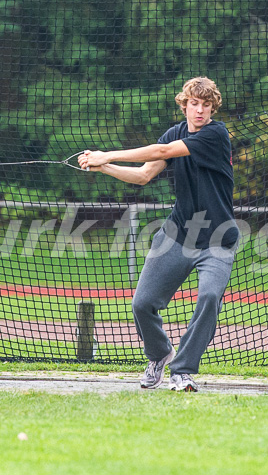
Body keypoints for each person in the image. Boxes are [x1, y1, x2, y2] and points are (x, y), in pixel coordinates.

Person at [79, 77, 239, 392]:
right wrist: (102, 168)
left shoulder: (215, 134)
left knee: (208, 297)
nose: (200, 111)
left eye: (206, 105)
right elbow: (142, 175)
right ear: (184, 104)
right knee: (142, 303)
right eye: (194, 103)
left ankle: (183, 370)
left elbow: (164, 150)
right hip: (177, 234)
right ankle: (159, 354)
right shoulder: (175, 133)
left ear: (212, 108)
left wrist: (106, 155)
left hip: (218, 239)